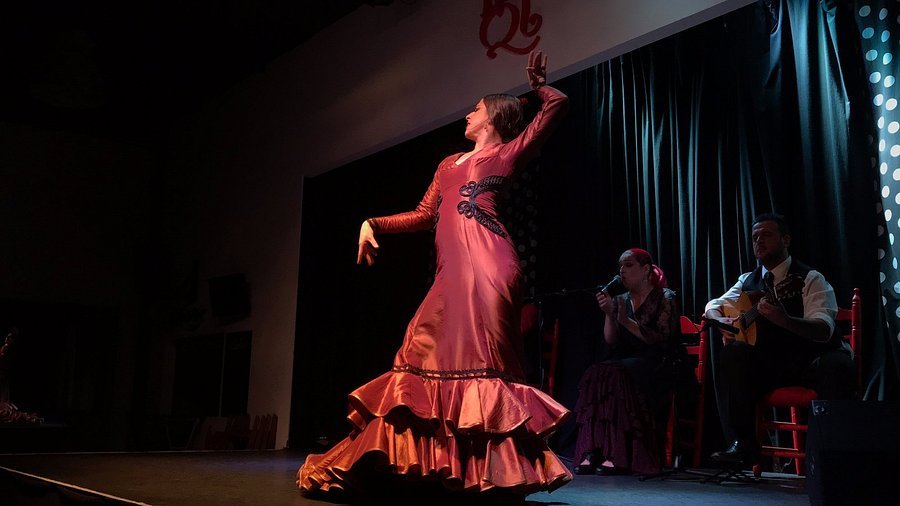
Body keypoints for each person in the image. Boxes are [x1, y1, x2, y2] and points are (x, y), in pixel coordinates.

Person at [297, 50, 571, 502]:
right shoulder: (447, 164)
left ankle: (492, 473)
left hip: (491, 264)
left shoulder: (508, 152)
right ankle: (429, 468)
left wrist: (539, 83)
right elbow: (426, 215)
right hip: (451, 273)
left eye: (475, 109)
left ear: (492, 118)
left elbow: (557, 105)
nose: (467, 113)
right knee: (421, 350)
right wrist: (375, 223)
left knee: (483, 359)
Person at [704, 213, 855, 465]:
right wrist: (717, 319)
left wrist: (784, 320)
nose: (759, 241)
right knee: (733, 354)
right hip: (773, 365)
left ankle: (832, 453)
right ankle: (744, 445)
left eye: (766, 235)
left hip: (809, 361)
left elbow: (824, 329)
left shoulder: (809, 279)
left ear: (785, 240)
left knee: (837, 365)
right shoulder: (746, 280)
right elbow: (715, 304)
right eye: (754, 237)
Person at [572, 248, 680, 476]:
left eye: (629, 265)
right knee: (598, 371)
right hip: (627, 365)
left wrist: (625, 320)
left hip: (656, 365)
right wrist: (610, 315)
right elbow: (611, 341)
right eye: (620, 266)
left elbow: (661, 339)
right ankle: (596, 449)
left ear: (645, 270)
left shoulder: (665, 297)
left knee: (616, 372)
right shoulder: (621, 300)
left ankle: (617, 454)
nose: (622, 270)